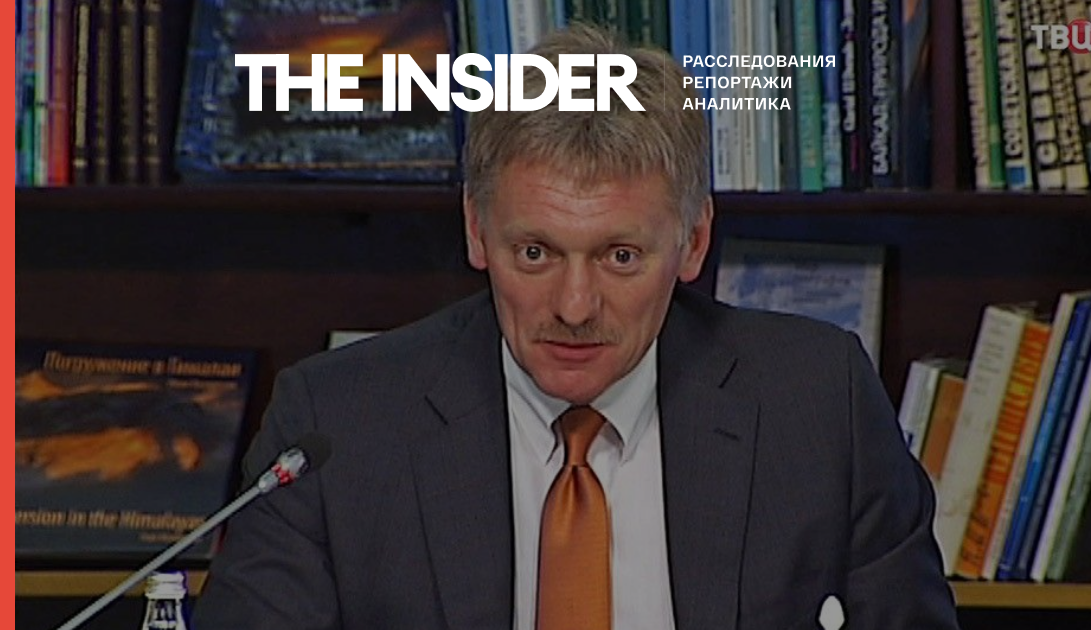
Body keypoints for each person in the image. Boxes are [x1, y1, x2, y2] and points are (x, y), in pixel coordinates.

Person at [192, 24, 960, 630]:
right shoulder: (338, 425)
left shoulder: (818, 404)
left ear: (693, 242)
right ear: (476, 232)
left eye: (621, 256)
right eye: (536, 253)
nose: (574, 305)